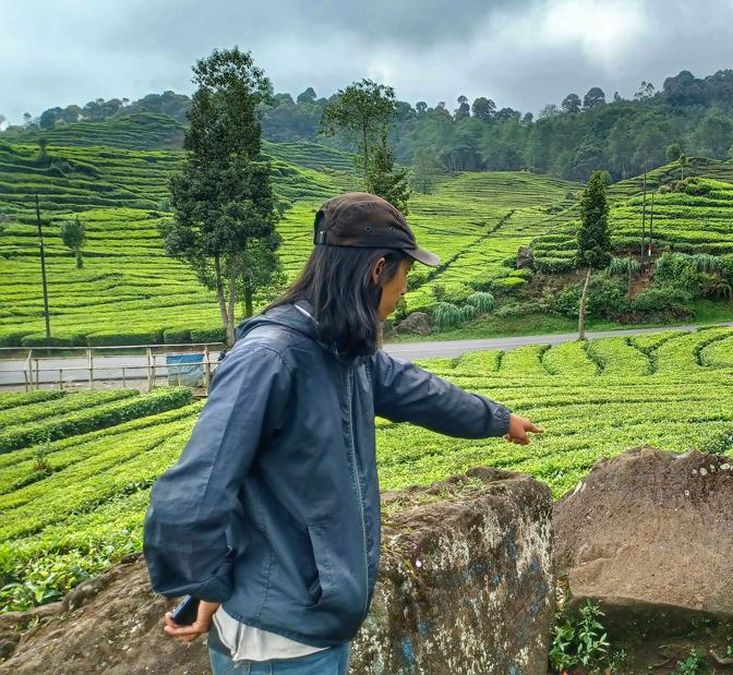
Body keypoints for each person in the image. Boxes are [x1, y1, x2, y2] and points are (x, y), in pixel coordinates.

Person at [143, 193, 541, 674]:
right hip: (278, 643)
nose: (404, 292)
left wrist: (497, 420)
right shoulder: (271, 358)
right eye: (405, 276)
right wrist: (214, 585)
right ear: (378, 270)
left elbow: (418, 391)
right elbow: (188, 501)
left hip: (314, 625)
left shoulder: (340, 347)